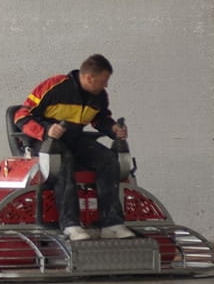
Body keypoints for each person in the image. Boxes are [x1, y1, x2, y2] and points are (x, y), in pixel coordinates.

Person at [13, 54, 134, 241]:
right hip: (45, 143)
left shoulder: (99, 96)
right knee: (65, 160)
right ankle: (71, 225)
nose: (106, 86)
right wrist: (46, 131)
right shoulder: (55, 86)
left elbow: (100, 119)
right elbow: (21, 116)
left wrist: (113, 129)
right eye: (104, 81)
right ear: (89, 78)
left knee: (108, 159)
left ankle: (111, 223)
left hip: (74, 139)